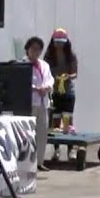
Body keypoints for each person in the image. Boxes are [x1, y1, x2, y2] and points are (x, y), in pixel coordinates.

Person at [42, 28, 78, 163]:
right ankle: (56, 150)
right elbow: (45, 71)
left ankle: (71, 150)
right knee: (55, 121)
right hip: (55, 91)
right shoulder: (49, 56)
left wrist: (68, 76)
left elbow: (75, 73)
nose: (59, 45)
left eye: (62, 43)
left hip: (67, 91)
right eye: (57, 43)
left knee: (67, 121)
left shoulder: (71, 55)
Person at [26, 37, 55, 172]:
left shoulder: (44, 65)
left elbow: (50, 79)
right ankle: (27, 162)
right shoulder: (23, 65)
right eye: (33, 49)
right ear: (28, 50)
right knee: (28, 133)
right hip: (31, 102)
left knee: (42, 133)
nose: (36, 52)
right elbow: (23, 82)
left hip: (43, 103)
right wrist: (37, 89)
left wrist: (46, 88)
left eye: (39, 49)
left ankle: (40, 161)